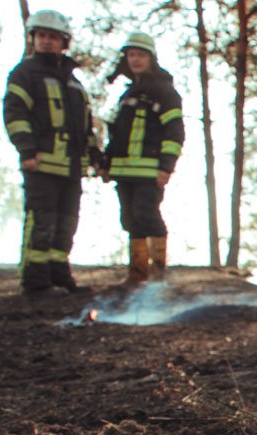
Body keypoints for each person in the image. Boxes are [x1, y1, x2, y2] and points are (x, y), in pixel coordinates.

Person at [2, 9, 99, 295]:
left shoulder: (73, 83)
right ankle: (34, 280)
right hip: (41, 162)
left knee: (67, 222)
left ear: (63, 42)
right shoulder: (24, 74)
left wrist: (95, 157)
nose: (46, 41)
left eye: (53, 37)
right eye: (41, 35)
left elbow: (85, 127)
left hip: (71, 167)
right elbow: (15, 114)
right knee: (41, 220)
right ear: (33, 38)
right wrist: (27, 149)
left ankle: (59, 274)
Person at [103, 32, 184, 284]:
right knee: (130, 218)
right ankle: (137, 275)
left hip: (149, 170)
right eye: (131, 55)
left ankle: (158, 275)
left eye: (141, 55)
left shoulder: (164, 92)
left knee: (147, 214)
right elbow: (117, 136)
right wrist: (106, 163)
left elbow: (175, 132)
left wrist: (166, 167)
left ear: (152, 58)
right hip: (124, 171)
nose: (135, 60)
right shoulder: (127, 95)